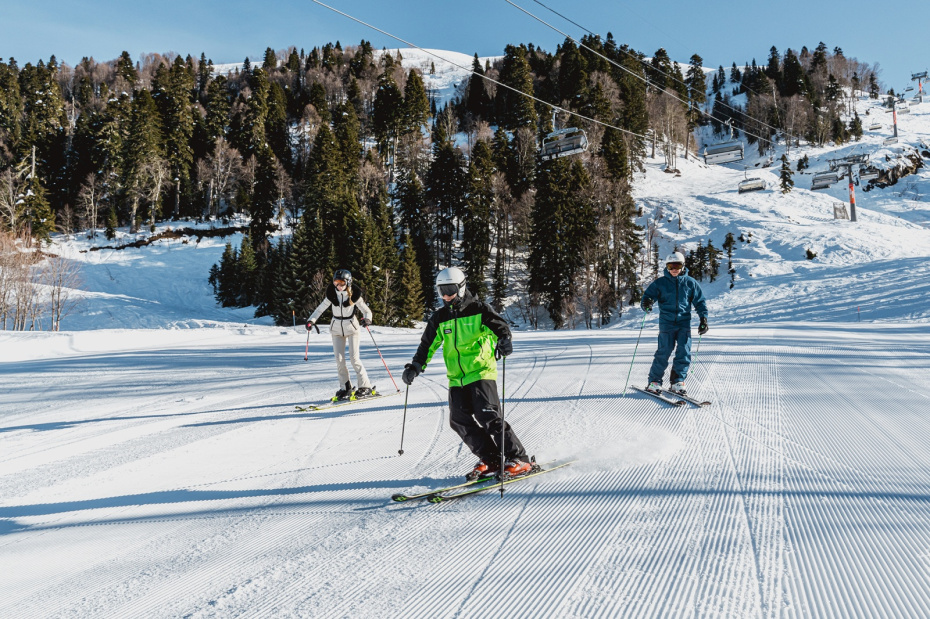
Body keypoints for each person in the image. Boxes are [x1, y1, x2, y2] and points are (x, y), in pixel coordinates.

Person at [401, 266, 532, 480]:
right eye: (441, 290)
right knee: (459, 420)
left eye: (450, 290)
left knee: (488, 416)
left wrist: (505, 340)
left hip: (481, 371)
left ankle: (519, 459)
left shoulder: (479, 310)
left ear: (461, 288)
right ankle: (491, 459)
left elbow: (500, 328)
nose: (446, 296)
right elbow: (427, 345)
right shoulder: (440, 318)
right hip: (457, 378)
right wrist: (416, 366)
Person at [640, 252, 709, 395]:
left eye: (677, 265)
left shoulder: (690, 283)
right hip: (666, 323)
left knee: (684, 352)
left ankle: (677, 381)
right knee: (663, 351)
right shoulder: (660, 283)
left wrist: (703, 319)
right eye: (671, 266)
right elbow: (648, 297)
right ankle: (654, 382)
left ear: (683, 266)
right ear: (667, 267)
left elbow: (700, 302)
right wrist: (647, 303)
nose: (674, 269)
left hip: (684, 323)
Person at [306, 269, 375, 401]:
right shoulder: (331, 294)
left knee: (354, 359)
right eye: (336, 282)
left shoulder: (354, 295)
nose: (338, 285)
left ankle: (365, 386)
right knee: (339, 360)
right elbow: (319, 309)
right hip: (336, 330)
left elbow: (367, 311)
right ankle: (346, 387)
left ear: (348, 282)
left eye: (341, 282)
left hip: (352, 329)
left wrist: (367, 319)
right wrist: (311, 320)